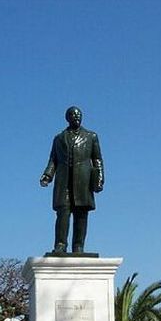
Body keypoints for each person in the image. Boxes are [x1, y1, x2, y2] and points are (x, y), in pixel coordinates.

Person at [40, 106, 104, 253]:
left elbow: (97, 159)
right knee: (63, 212)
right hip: (64, 181)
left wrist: (99, 178)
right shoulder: (59, 138)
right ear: (67, 118)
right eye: (73, 115)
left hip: (83, 179)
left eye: (79, 115)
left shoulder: (91, 136)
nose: (76, 117)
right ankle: (60, 245)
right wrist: (47, 175)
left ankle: (78, 246)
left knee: (81, 213)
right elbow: (53, 160)